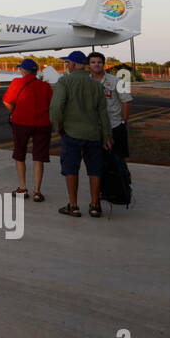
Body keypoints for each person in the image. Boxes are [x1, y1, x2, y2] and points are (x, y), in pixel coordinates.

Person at [48, 50, 113, 218]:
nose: (67, 65)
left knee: (71, 169)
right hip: (93, 134)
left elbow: (56, 107)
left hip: (72, 133)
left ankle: (73, 205)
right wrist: (106, 135)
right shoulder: (97, 85)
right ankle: (94, 205)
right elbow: (103, 113)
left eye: (68, 63)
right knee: (94, 170)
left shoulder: (65, 81)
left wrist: (58, 126)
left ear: (73, 65)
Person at [2, 58, 52, 201]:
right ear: (36, 71)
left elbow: (6, 101)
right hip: (42, 124)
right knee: (39, 157)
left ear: (23, 70)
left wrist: (13, 111)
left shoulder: (17, 83)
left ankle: (23, 188)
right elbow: (51, 105)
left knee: (19, 154)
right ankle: (37, 191)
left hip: (21, 123)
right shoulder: (45, 86)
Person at [88, 52, 132, 162]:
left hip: (114, 125)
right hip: (94, 128)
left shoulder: (117, 81)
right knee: (97, 161)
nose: (96, 65)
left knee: (118, 160)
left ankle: (121, 179)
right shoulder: (86, 82)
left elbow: (126, 101)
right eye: (93, 62)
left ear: (104, 64)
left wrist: (123, 122)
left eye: (99, 62)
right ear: (88, 65)